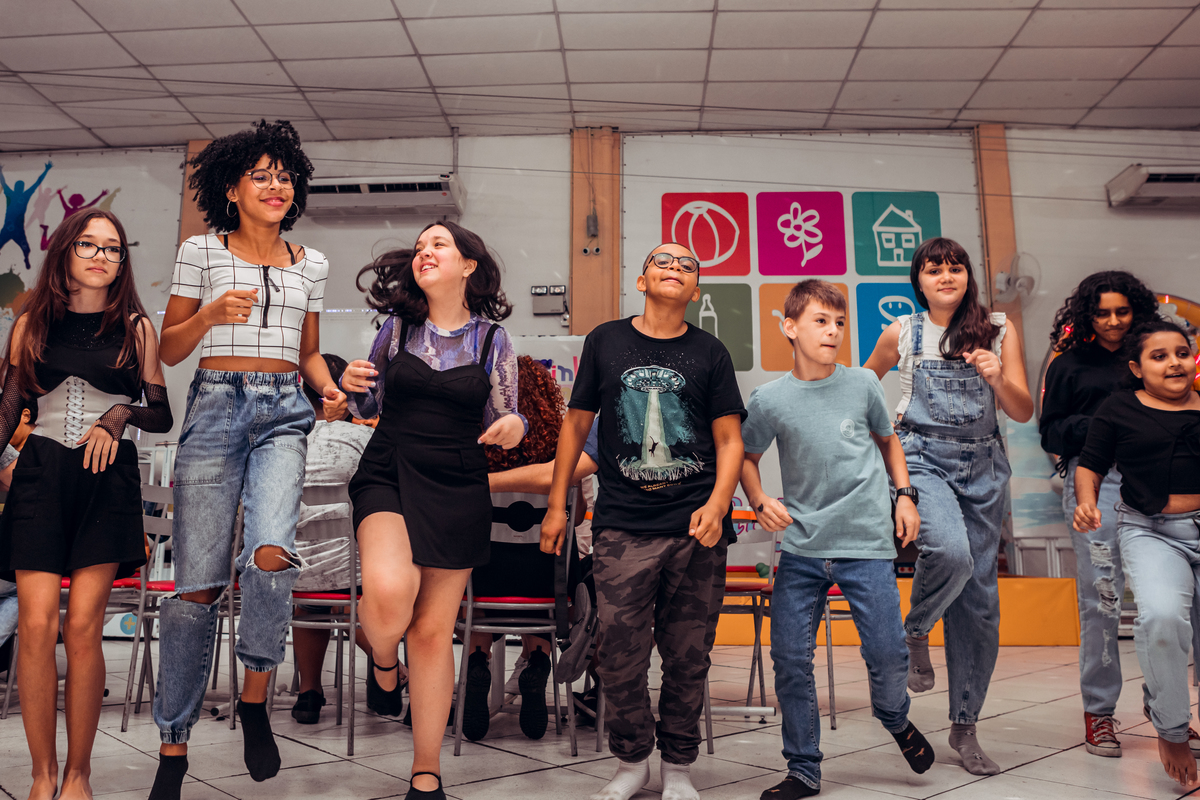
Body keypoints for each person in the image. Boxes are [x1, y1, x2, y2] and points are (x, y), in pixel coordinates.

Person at [150, 120, 346, 800]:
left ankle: (257, 698)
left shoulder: (311, 263)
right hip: (215, 408)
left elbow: (311, 350)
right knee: (193, 592)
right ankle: (173, 747)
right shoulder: (201, 251)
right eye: (259, 175)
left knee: (270, 553)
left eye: (283, 174)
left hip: (285, 408)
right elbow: (171, 350)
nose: (274, 184)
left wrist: (328, 387)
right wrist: (209, 315)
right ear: (231, 189)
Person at [541, 242, 746, 800]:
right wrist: (558, 506)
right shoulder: (606, 340)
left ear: (696, 291)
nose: (675, 269)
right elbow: (576, 425)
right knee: (619, 653)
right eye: (664, 261)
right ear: (641, 280)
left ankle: (678, 765)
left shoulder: (711, 352)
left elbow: (730, 440)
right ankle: (631, 759)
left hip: (696, 529)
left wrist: (719, 503)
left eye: (688, 266)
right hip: (622, 527)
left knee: (688, 658)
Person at [341, 221, 526, 800]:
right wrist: (348, 384)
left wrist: (513, 425)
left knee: (433, 632)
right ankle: (382, 659)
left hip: (458, 479)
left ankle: (426, 773)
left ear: (469, 264)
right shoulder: (395, 331)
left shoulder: (494, 340)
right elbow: (364, 400)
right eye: (420, 247)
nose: (425, 253)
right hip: (389, 467)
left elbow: (510, 413)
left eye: (438, 244)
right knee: (391, 593)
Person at [0, 210, 172, 800]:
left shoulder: (135, 329)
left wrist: (118, 414)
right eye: (89, 245)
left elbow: (160, 412)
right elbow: (8, 409)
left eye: (114, 249)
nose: (101, 256)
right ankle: (42, 775)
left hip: (107, 480)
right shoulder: (31, 325)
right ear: (66, 252)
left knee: (82, 628)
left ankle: (79, 775)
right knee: (35, 625)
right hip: (42, 475)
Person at [741, 280, 933, 800]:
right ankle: (803, 766)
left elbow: (888, 443)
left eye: (840, 322)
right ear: (790, 327)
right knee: (790, 660)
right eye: (821, 321)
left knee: (889, 655)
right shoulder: (770, 399)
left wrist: (905, 495)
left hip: (866, 544)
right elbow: (747, 458)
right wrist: (760, 500)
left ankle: (894, 716)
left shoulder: (863, 385)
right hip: (802, 548)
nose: (833, 331)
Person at [864, 237, 1032, 776]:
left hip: (984, 466)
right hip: (922, 459)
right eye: (933, 269)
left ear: (967, 277)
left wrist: (996, 376)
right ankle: (917, 629)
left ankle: (965, 726)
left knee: (980, 604)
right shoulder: (903, 332)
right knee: (952, 555)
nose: (945, 276)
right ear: (919, 280)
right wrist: (882, 454)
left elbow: (1023, 411)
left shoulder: (1000, 328)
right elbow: (864, 393)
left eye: (955, 268)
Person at [1073, 319, 1200, 788]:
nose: (1174, 363)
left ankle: (1163, 700)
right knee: (1162, 618)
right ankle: (1170, 729)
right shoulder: (1119, 408)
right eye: (1159, 356)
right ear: (1137, 367)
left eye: (1181, 353)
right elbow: (1091, 465)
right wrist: (1086, 502)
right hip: (1151, 530)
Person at [1040, 271, 1162, 757]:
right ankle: (1100, 713)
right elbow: (1050, 431)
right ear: (1087, 315)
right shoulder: (1070, 365)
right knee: (1101, 601)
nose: (1112, 321)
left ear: (1136, 312)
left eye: (1122, 311)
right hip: (1094, 482)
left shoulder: (1152, 358)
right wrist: (1107, 425)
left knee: (1160, 603)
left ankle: (1167, 711)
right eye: (1102, 312)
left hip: (1155, 484)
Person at [461, 355, 586, 742]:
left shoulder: (472, 444)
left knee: (472, 576)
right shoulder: (563, 451)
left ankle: (476, 661)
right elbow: (578, 515)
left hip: (484, 582)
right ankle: (536, 661)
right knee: (550, 571)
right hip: (544, 582)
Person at [289, 353, 381, 725]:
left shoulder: (282, 445)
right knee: (359, 588)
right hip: (352, 576)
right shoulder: (366, 439)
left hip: (294, 574)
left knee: (311, 602)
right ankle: (388, 665)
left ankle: (309, 693)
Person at [0, 161, 52, 270]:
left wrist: (46, 171)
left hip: (16, 229)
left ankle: (26, 259)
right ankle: (26, 258)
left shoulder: (16, 194)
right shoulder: (15, 194)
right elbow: (3, 182)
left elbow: (37, 183)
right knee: (25, 248)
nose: (19, 188)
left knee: (26, 249)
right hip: (11, 228)